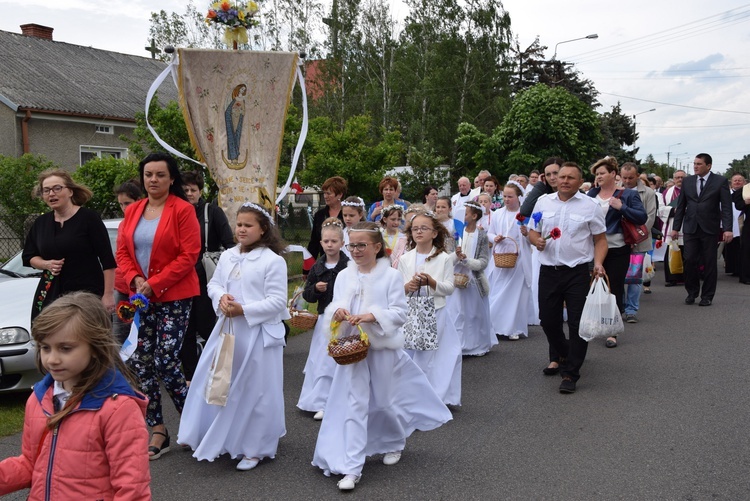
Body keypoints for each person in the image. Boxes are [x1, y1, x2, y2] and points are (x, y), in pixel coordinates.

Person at [312, 222, 452, 491]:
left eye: (362, 245)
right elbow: (337, 304)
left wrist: (372, 316)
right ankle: (352, 467)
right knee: (354, 404)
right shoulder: (344, 275)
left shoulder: (390, 276)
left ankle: (393, 440)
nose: (356, 250)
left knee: (385, 402)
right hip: (352, 350)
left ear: (377, 247)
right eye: (352, 245)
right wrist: (339, 312)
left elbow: (400, 313)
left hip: (381, 349)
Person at [0, 292, 150, 499]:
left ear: (95, 348)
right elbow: (31, 464)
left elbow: (132, 488)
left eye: (65, 348)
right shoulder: (38, 399)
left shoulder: (118, 408)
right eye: (45, 348)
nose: (52, 359)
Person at [178, 203, 289, 471]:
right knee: (221, 382)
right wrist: (222, 296)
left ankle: (255, 446)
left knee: (256, 389)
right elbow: (214, 283)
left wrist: (244, 309)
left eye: (248, 225)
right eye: (239, 224)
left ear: (263, 229)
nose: (241, 229)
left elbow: (277, 301)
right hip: (229, 330)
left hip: (258, 334)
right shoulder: (228, 255)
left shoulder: (273, 261)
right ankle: (222, 434)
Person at [115, 151, 201, 460]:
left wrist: (155, 282)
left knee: (166, 361)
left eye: (160, 175)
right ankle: (158, 429)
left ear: (171, 178)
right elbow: (123, 251)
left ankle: (195, 423)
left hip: (174, 296)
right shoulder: (134, 210)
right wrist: (136, 279)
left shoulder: (182, 210)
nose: (153, 179)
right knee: (140, 362)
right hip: (141, 297)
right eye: (148, 174)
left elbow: (189, 255)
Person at [529, 162, 607, 394]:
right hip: (549, 271)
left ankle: (571, 373)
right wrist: (536, 240)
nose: (564, 180)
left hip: (577, 272)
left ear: (579, 181)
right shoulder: (543, 202)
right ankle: (565, 351)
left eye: (570, 178)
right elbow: (533, 229)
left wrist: (598, 263)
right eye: (561, 176)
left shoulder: (590, 206)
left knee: (577, 324)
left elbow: (601, 239)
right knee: (547, 320)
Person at [23, 169, 116, 323]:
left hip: (87, 294)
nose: (51, 194)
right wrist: (46, 264)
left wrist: (108, 295)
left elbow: (107, 260)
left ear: (70, 191)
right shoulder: (41, 223)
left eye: (57, 188)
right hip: (51, 293)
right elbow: (28, 257)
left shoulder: (89, 218)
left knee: (87, 340)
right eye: (46, 190)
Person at [398, 212, 461, 405]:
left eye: (424, 228)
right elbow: (399, 289)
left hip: (435, 312)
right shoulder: (405, 259)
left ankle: (435, 397)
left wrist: (432, 283)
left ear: (434, 233)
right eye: (415, 228)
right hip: (412, 312)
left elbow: (449, 288)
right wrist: (408, 287)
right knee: (410, 354)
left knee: (435, 357)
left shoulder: (443, 259)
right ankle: (411, 396)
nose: (419, 231)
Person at [179, 171, 234, 382]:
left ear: (200, 191)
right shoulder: (174, 213)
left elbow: (229, 245)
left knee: (208, 327)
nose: (190, 194)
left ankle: (217, 371)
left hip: (205, 280)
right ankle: (190, 378)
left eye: (194, 190)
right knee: (185, 331)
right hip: (180, 280)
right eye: (185, 190)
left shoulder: (211, 212)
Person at [587, 156, 647, 348]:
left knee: (614, 287)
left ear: (613, 174)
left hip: (617, 247)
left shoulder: (627, 194)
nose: (599, 176)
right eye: (597, 174)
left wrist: (622, 207)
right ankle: (595, 323)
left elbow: (641, 216)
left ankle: (612, 331)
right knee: (593, 286)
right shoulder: (591, 194)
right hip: (592, 248)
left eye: (602, 173)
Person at [297, 218, 349, 420]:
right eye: (326, 241)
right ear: (321, 243)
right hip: (323, 320)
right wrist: (315, 290)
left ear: (342, 243)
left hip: (343, 320)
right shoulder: (317, 267)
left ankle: (340, 401)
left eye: (334, 241)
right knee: (322, 361)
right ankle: (320, 400)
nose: (330, 245)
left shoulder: (348, 266)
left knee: (341, 360)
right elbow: (307, 295)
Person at [671, 154, 733, 306]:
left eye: (699, 164)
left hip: (709, 228)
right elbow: (681, 206)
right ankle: (692, 292)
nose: (695, 166)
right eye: (694, 163)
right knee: (690, 259)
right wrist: (675, 228)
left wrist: (727, 229)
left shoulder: (720, 181)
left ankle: (707, 296)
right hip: (691, 227)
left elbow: (726, 207)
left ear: (709, 166)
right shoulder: (688, 181)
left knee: (709, 262)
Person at [445, 201, 495, 356]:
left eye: (466, 213)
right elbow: (447, 256)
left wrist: (467, 261)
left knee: (474, 314)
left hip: (473, 280)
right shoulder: (456, 233)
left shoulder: (481, 236)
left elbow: (484, 261)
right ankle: (458, 344)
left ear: (474, 216)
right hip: (456, 279)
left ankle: (477, 344)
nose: (463, 216)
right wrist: (456, 255)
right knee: (457, 312)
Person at [487, 183, 533, 340]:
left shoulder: (525, 215)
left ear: (518, 197)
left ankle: (512, 327)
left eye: (510, 196)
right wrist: (495, 238)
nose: (506, 199)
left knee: (514, 295)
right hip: (500, 258)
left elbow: (531, 237)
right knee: (498, 292)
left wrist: (526, 233)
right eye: (504, 196)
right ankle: (493, 324)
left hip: (518, 259)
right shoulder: (497, 213)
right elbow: (489, 233)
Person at [620, 163, 657, 323]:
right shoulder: (616, 191)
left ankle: (631, 310)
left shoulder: (648, 193)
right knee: (617, 276)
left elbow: (650, 217)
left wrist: (635, 238)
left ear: (637, 176)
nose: (627, 181)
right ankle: (618, 306)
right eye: (624, 178)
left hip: (639, 242)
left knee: (634, 277)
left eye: (631, 178)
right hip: (619, 241)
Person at [113, 180, 143, 344]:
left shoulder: (148, 222)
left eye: (128, 203)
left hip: (144, 287)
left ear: (140, 200)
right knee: (121, 334)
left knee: (141, 334)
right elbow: (121, 255)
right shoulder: (123, 224)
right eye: (121, 204)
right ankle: (120, 369)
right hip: (124, 286)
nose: (125, 208)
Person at [308, 176, 347, 261]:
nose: (325, 196)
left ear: (340, 194)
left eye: (328, 193)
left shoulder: (348, 214)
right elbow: (314, 241)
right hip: (325, 261)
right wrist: (308, 267)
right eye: (324, 193)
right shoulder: (319, 215)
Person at [658, 170, 686, 286]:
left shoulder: (691, 191)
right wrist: (675, 211)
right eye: (677, 177)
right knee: (671, 252)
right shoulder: (667, 192)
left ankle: (686, 277)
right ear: (674, 179)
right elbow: (660, 208)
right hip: (671, 224)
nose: (680, 180)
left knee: (686, 253)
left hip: (686, 224)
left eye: (682, 177)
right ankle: (672, 278)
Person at [724, 173, 745, 276]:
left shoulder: (746, 194)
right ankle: (733, 268)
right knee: (731, 248)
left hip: (744, 224)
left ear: (744, 182)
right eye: (735, 180)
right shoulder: (726, 195)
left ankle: (742, 269)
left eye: (739, 180)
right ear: (731, 183)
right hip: (730, 224)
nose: (737, 182)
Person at [732, 178, 750, 284]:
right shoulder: (745, 189)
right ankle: (746, 277)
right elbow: (738, 205)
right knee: (747, 250)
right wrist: (745, 202)